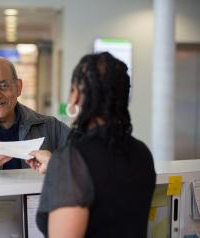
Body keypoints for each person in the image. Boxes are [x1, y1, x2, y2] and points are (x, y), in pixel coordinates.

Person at [27, 52, 156, 237]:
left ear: (76, 96)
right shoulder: (142, 153)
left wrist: (62, 167)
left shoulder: (72, 160)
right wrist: (57, 165)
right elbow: (106, 183)